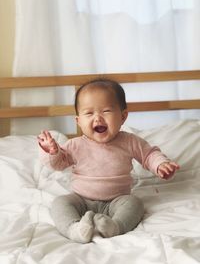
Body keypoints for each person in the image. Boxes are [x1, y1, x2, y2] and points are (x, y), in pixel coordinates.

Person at [38, 78, 179, 243]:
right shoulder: (75, 145)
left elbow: (149, 154)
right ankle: (74, 229)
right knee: (60, 203)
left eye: (106, 111)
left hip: (117, 200)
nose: (97, 118)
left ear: (123, 116)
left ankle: (115, 226)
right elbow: (58, 164)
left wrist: (160, 164)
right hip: (81, 199)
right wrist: (52, 152)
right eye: (89, 113)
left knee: (135, 204)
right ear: (79, 121)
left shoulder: (129, 141)